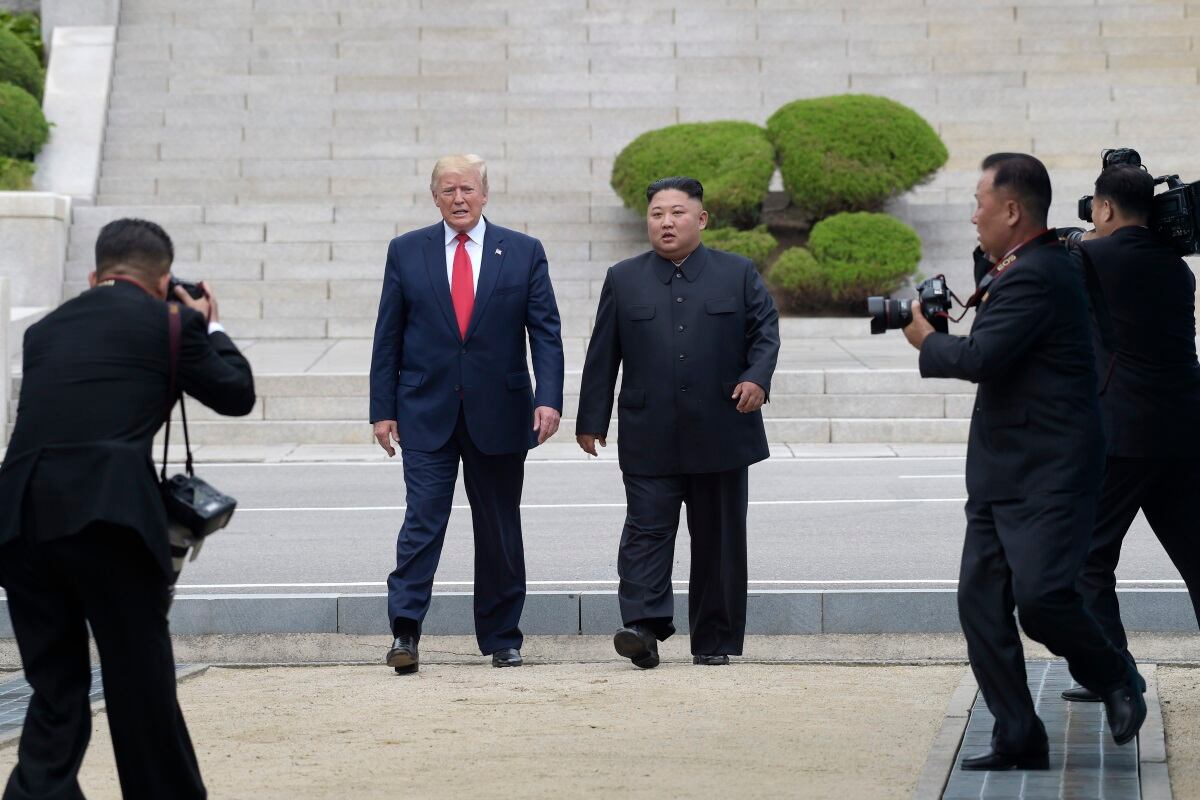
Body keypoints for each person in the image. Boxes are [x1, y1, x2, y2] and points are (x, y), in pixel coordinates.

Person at [902, 154, 1145, 769]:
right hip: (1002, 468)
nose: (973, 214)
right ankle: (1018, 734)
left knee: (1042, 599)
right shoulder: (1024, 266)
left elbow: (981, 357)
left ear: (1012, 210)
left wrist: (927, 341)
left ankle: (1114, 675)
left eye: (980, 202)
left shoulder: (1040, 274)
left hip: (1051, 470)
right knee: (979, 605)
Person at [0, 218, 255, 799]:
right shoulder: (172, 321)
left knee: (56, 687)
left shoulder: (43, 331)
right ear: (164, 281)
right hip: (108, 519)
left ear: (95, 276)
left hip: (18, 519)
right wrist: (209, 322)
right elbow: (236, 393)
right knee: (139, 681)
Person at [370, 154, 564, 674]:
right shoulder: (406, 251)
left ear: (485, 194)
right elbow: (387, 336)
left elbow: (545, 331)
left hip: (501, 413)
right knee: (422, 523)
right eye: (449, 189)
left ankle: (503, 636)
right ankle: (405, 631)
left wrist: (549, 397)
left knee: (500, 528)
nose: (460, 198)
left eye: (469, 189)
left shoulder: (522, 251)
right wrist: (382, 410)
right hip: (425, 411)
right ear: (434, 196)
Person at [575, 176, 779, 669]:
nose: (665, 222)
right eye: (656, 214)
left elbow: (765, 334)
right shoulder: (623, 278)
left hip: (723, 429)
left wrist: (757, 380)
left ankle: (714, 641)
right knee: (646, 533)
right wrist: (591, 418)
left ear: (701, 219)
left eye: (677, 213)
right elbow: (603, 354)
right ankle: (642, 628)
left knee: (720, 540)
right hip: (650, 432)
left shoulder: (738, 273)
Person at [1061, 165, 1200, 703]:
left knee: (1087, 556)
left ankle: (1112, 674)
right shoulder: (1176, 268)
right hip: (1185, 427)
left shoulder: (1095, 256)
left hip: (1123, 433)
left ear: (1106, 209)